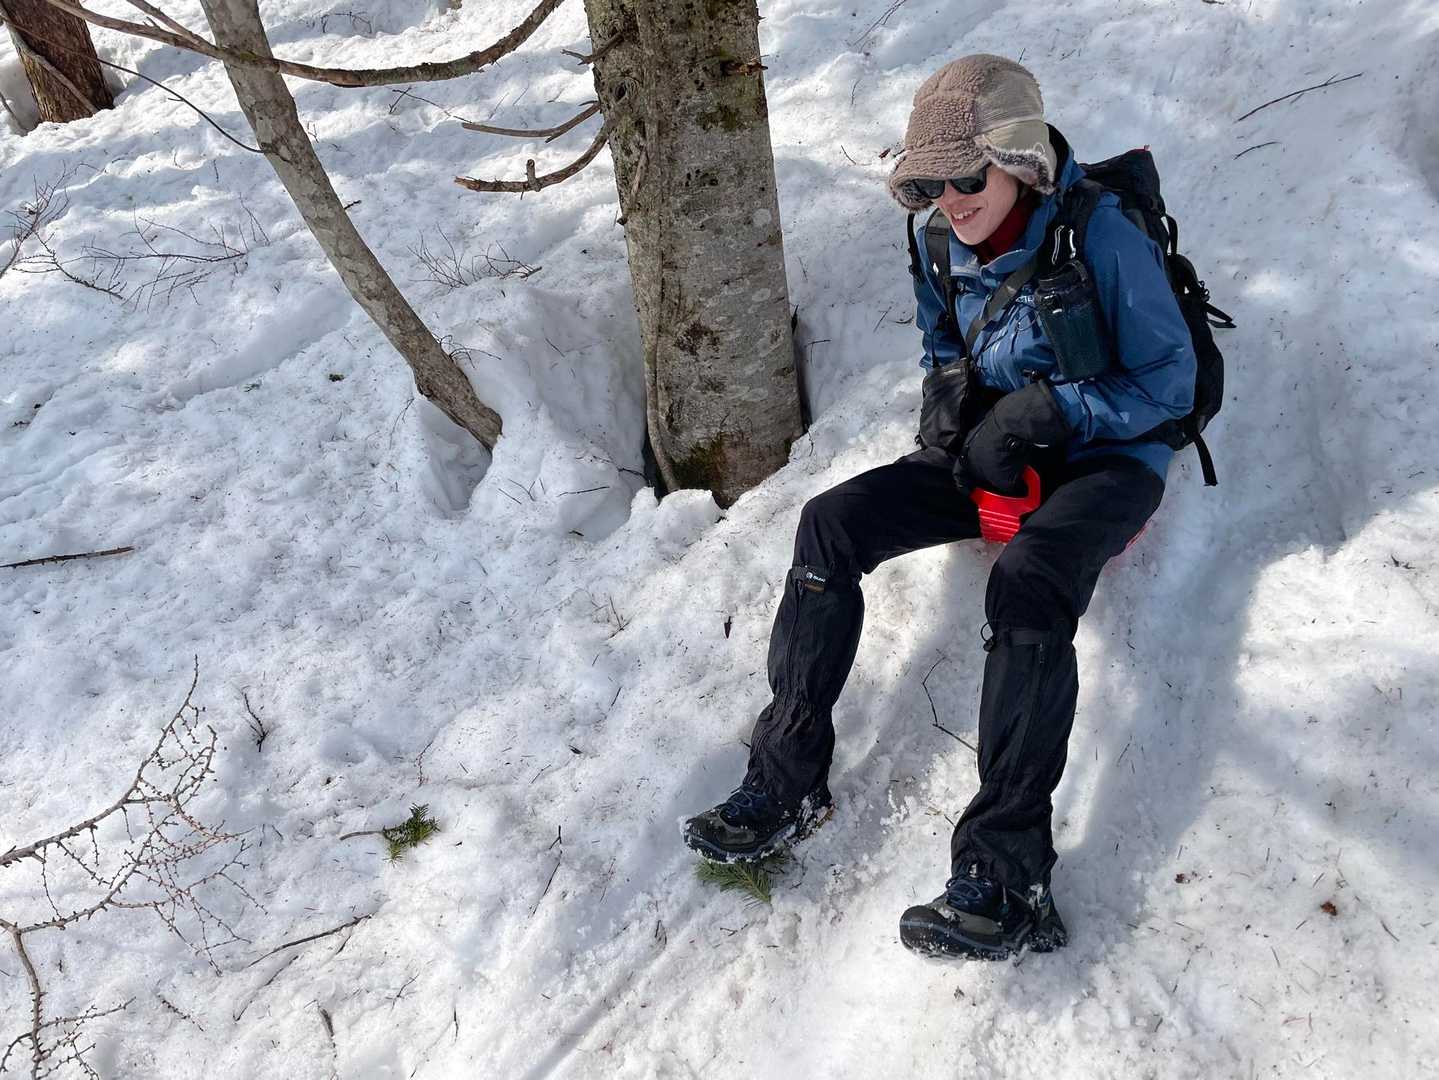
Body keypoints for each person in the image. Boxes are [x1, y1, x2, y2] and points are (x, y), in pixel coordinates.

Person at [680, 54, 1197, 960]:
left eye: (967, 178)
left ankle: (1006, 877)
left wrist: (1048, 412)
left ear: (1019, 164)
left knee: (1029, 577)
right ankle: (785, 777)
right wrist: (953, 405)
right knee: (830, 524)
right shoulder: (934, 243)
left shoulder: (1099, 235)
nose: (950, 201)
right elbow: (940, 342)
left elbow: (1167, 382)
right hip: (994, 450)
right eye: (929, 184)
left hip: (1108, 457)